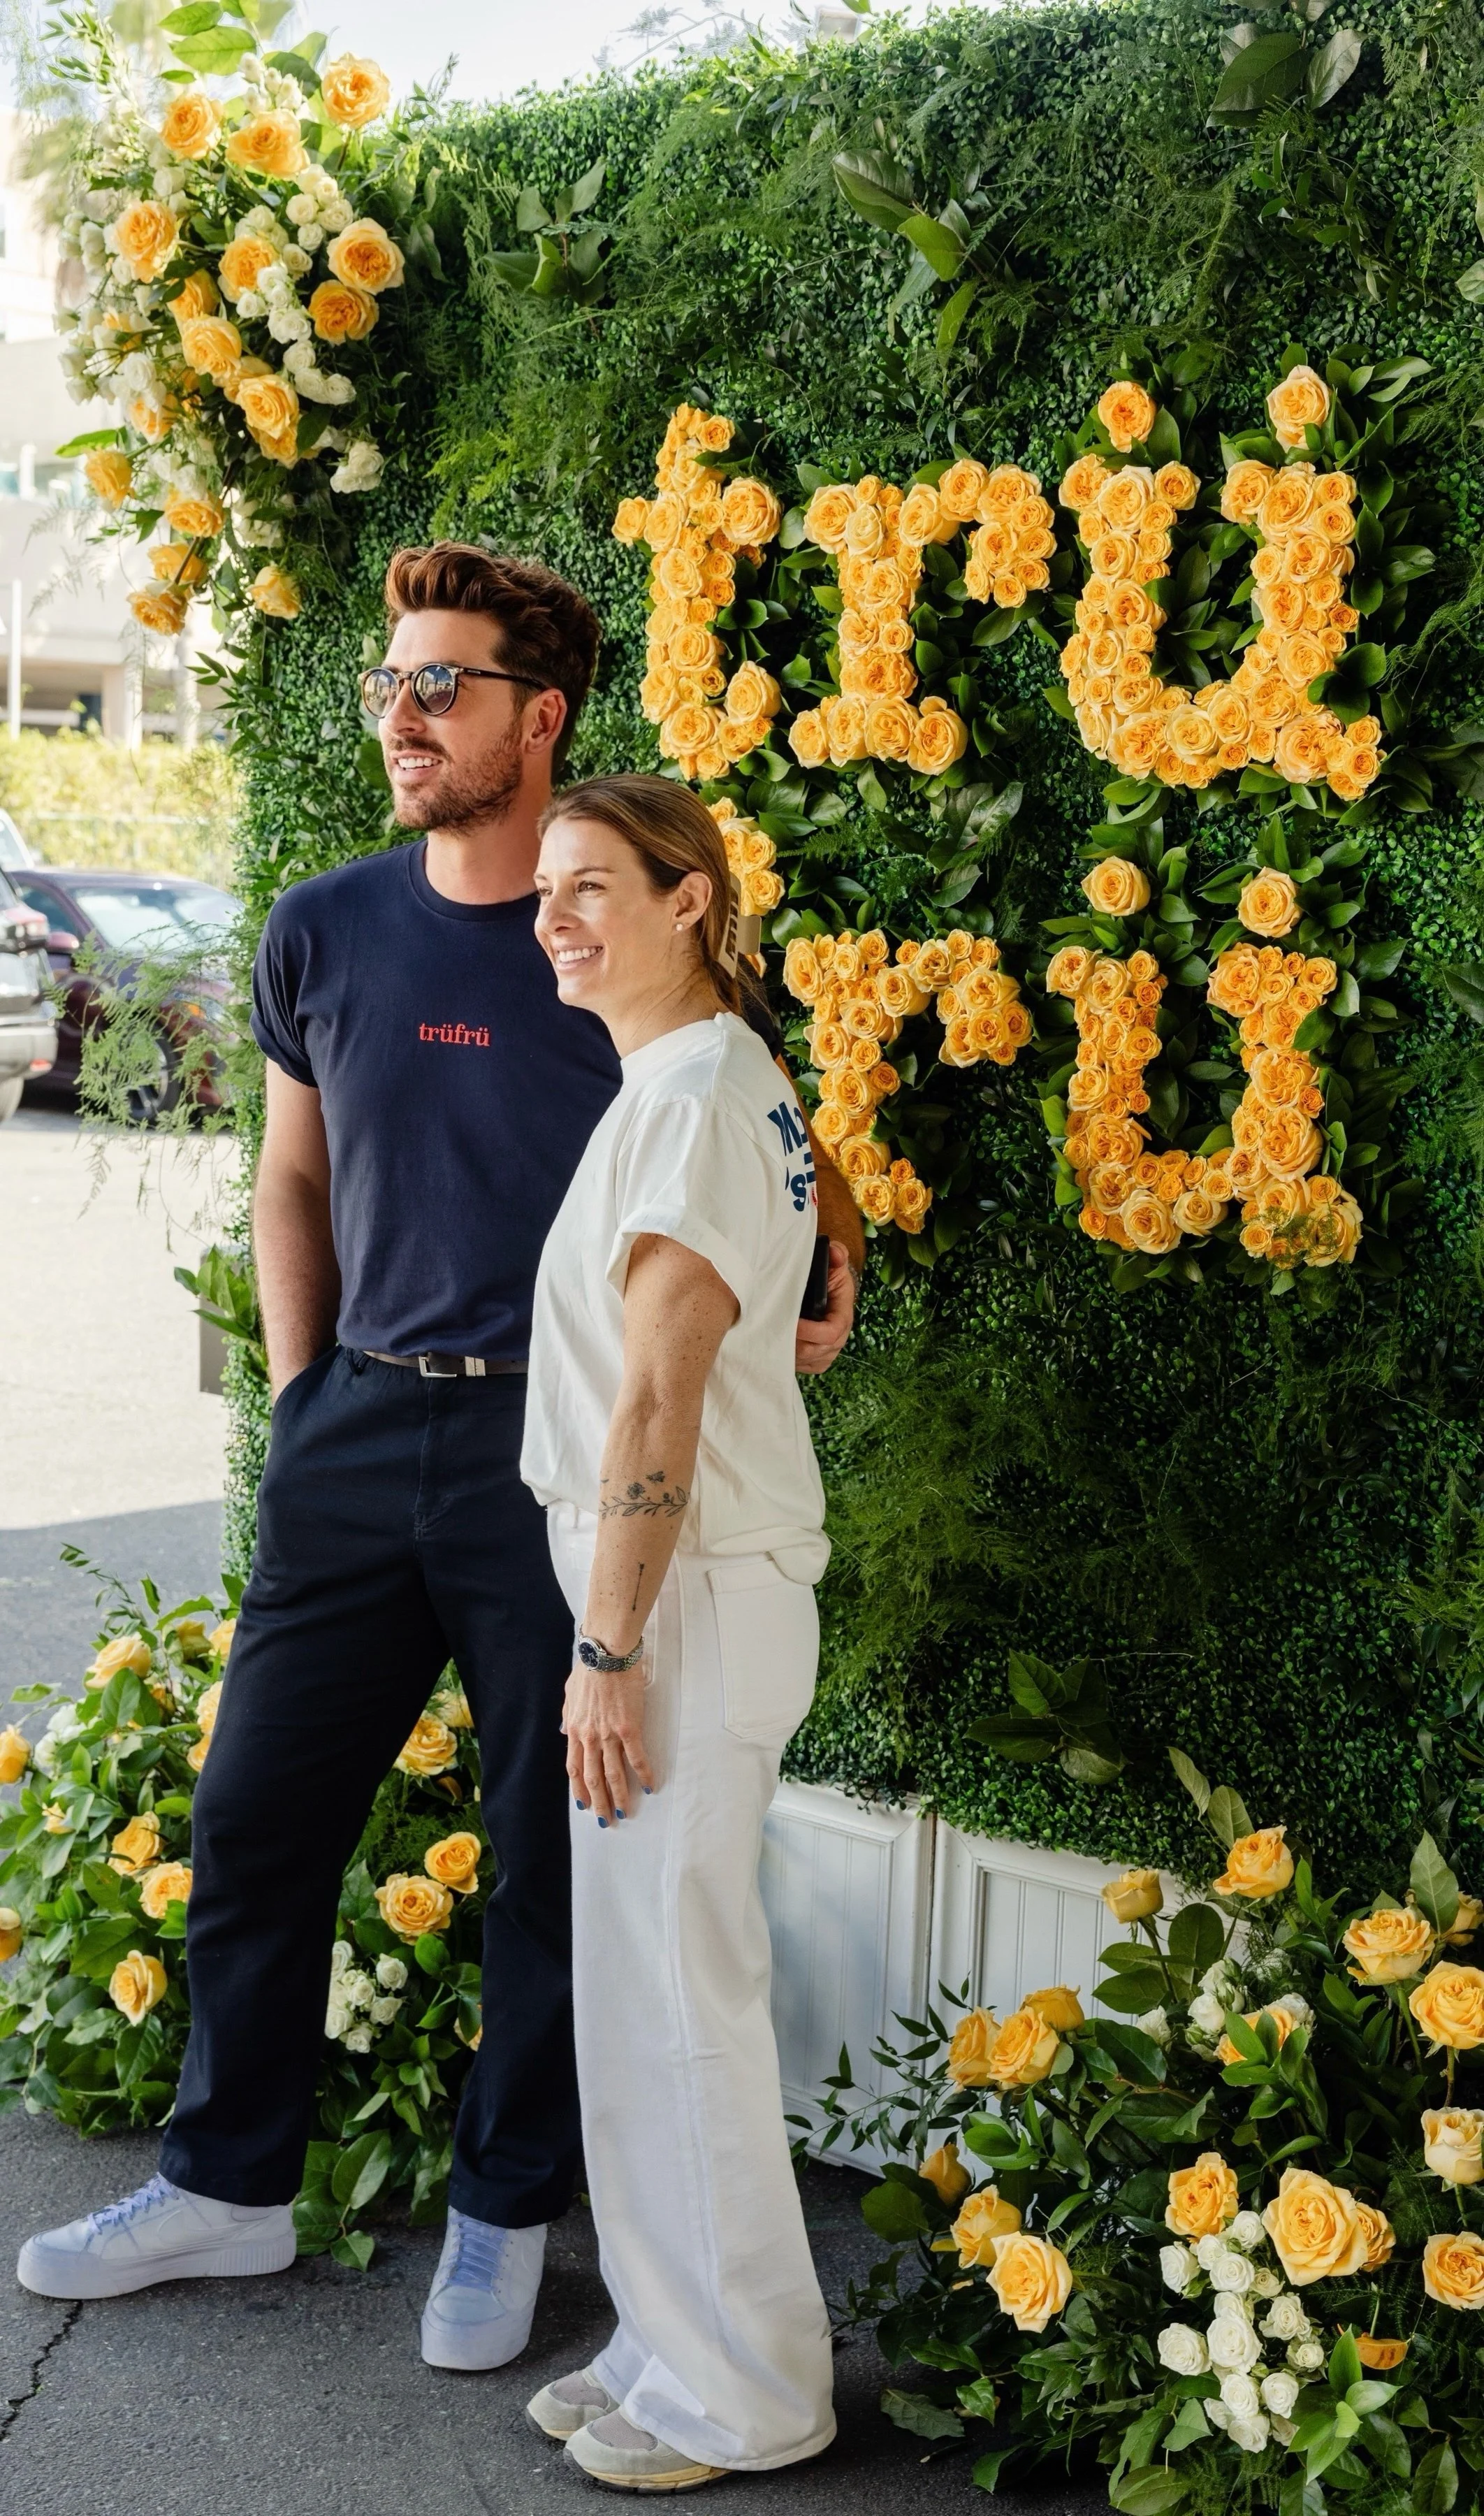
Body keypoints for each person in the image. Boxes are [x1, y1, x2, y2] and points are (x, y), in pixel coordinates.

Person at [17, 546, 863, 2369]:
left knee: (546, 1842)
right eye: (389, 683)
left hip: (545, 1458)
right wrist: (310, 1387)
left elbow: (737, 1086)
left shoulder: (601, 921)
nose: (401, 715)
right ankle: (228, 2184)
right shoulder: (321, 925)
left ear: (537, 717)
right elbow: (295, 1173)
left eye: (441, 685)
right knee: (254, 1811)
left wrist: (829, 1247)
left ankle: (501, 2210)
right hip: (352, 1429)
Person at [518, 774, 838, 2492]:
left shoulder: (702, 1093)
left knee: (685, 1993)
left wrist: (606, 1649)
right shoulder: (689, 1079)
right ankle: (669, 2338)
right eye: (546, 889)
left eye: (592, 888)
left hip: (682, 1598)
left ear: (691, 903)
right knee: (639, 1996)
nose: (555, 916)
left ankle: (753, 2394)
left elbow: (659, 1392)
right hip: (666, 1590)